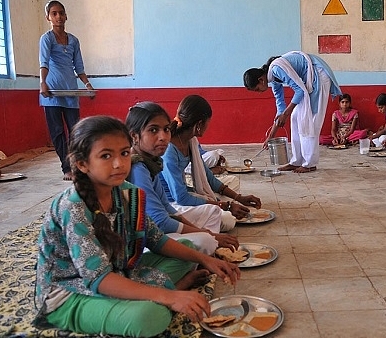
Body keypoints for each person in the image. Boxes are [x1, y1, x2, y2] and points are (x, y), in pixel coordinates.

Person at [33, 116, 240, 337]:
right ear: (83, 163)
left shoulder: (128, 192)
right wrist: (169, 297)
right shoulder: (73, 207)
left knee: (191, 250)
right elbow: (98, 279)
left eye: (124, 153)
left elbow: (157, 240)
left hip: (119, 273)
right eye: (105, 156)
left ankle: (162, 292)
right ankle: (171, 291)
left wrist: (206, 259)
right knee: (149, 317)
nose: (119, 164)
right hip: (70, 293)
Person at [126, 101, 239, 255]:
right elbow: (162, 219)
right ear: (134, 136)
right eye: (153, 130)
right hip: (144, 240)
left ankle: (204, 253)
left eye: (166, 129)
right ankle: (203, 258)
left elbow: (168, 209)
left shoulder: (151, 162)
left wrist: (203, 231)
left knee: (210, 228)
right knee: (206, 240)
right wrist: (209, 234)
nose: (163, 137)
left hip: (163, 220)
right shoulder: (139, 169)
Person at [160, 95, 262, 231]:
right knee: (227, 220)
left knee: (232, 181)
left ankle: (217, 206)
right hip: (171, 204)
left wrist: (238, 198)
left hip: (187, 194)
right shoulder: (169, 151)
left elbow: (207, 176)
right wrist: (226, 206)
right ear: (199, 125)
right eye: (208, 122)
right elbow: (181, 198)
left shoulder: (191, 141)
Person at [243, 51, 342, 173]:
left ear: (261, 80)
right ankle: (297, 161)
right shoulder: (273, 78)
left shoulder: (276, 69)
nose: (259, 92)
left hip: (318, 75)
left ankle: (309, 163)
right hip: (310, 78)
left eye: (257, 89)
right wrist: (270, 136)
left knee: (310, 120)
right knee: (295, 117)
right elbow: (280, 106)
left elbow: (299, 91)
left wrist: (285, 114)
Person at [39, 1, 94, 181]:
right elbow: (44, 62)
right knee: (57, 132)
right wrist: (43, 83)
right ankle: (66, 168)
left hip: (70, 91)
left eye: (61, 13)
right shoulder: (46, 39)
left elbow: (79, 66)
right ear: (48, 17)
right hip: (52, 93)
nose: (58, 17)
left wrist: (87, 85)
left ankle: (77, 165)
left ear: (66, 15)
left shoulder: (74, 41)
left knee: (75, 131)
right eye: (54, 13)